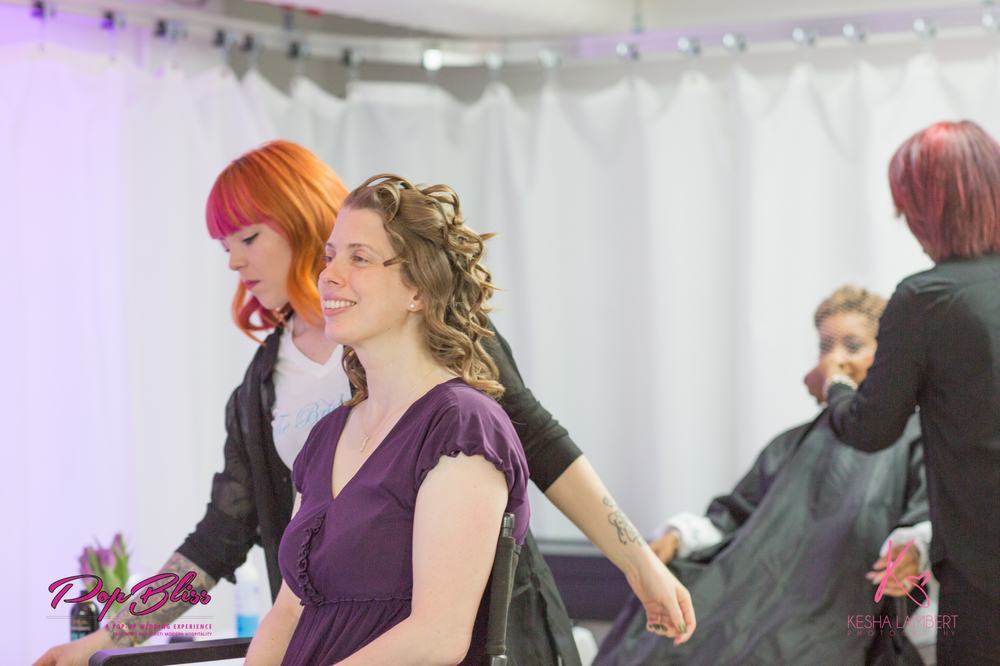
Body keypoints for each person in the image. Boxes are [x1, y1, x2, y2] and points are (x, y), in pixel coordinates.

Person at [34, 141, 693, 666]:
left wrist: (638, 563)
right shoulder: (265, 388)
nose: (233, 262)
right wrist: (107, 640)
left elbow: (540, 446)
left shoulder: (446, 359)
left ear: (299, 222)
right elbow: (219, 539)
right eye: (223, 246)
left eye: (247, 237)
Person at [246, 173, 531, 663]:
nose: (328, 275)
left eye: (359, 258)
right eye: (330, 256)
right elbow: (288, 613)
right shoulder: (325, 437)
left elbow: (437, 635)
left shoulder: (461, 427)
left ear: (418, 288)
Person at [596, 285, 931, 666]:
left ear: (887, 355)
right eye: (825, 347)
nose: (834, 361)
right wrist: (678, 536)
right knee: (669, 629)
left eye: (852, 346)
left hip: (833, 612)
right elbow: (734, 513)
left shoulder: (917, 439)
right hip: (749, 596)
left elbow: (927, 516)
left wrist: (913, 550)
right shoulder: (791, 443)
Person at [805, 120, 1000, 665]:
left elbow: (870, 427)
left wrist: (836, 386)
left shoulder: (925, 299)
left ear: (927, 210)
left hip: (984, 570)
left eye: (907, 208)